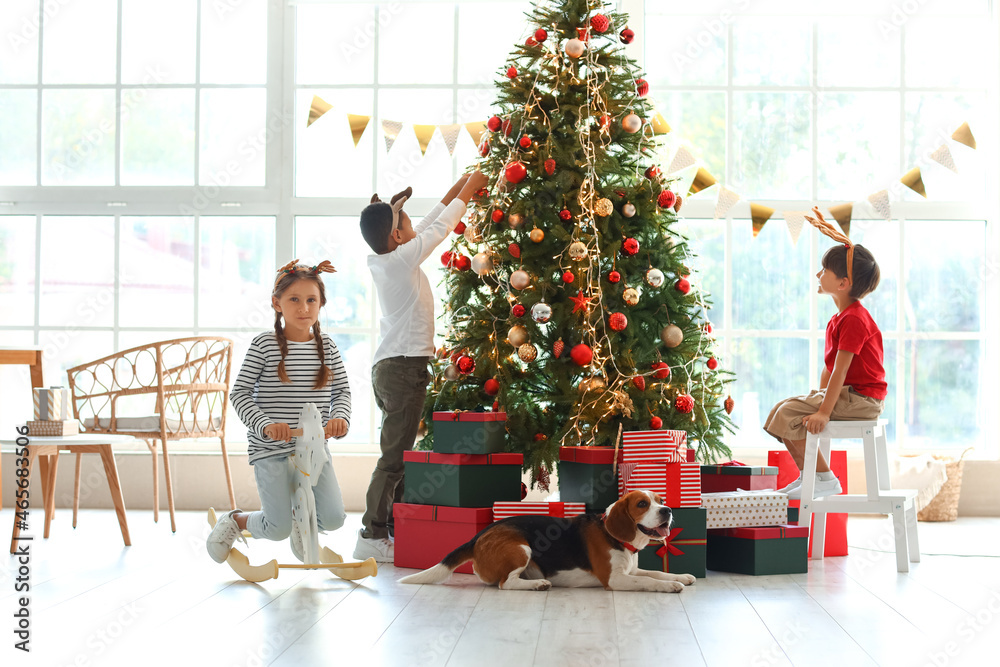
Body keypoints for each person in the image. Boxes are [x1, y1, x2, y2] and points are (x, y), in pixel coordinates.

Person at [354, 169, 488, 562]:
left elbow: (432, 219)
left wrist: (460, 186)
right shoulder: (398, 261)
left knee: (400, 452)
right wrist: (472, 188)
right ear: (397, 237)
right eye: (406, 224)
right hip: (402, 369)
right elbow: (441, 228)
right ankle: (371, 534)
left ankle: (393, 528)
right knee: (393, 458)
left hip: (395, 368)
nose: (415, 227)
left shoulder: (393, 256)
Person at [206, 259, 352, 563]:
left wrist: (340, 418)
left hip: (313, 448)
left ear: (321, 303)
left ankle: (302, 520)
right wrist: (265, 425)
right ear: (277, 303)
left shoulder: (328, 346)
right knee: (276, 528)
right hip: (271, 448)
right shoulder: (264, 345)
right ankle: (237, 520)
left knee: (335, 518)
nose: (304, 308)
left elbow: (341, 392)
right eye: (294, 300)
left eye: (311, 300)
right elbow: (240, 393)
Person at [764, 209, 886, 500]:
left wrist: (823, 410)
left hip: (863, 399)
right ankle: (811, 476)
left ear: (843, 283)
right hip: (850, 393)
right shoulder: (840, 318)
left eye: (824, 271)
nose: (818, 274)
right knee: (778, 412)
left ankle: (824, 478)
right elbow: (830, 369)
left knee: (787, 413)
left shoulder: (855, 319)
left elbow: (841, 372)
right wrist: (817, 397)